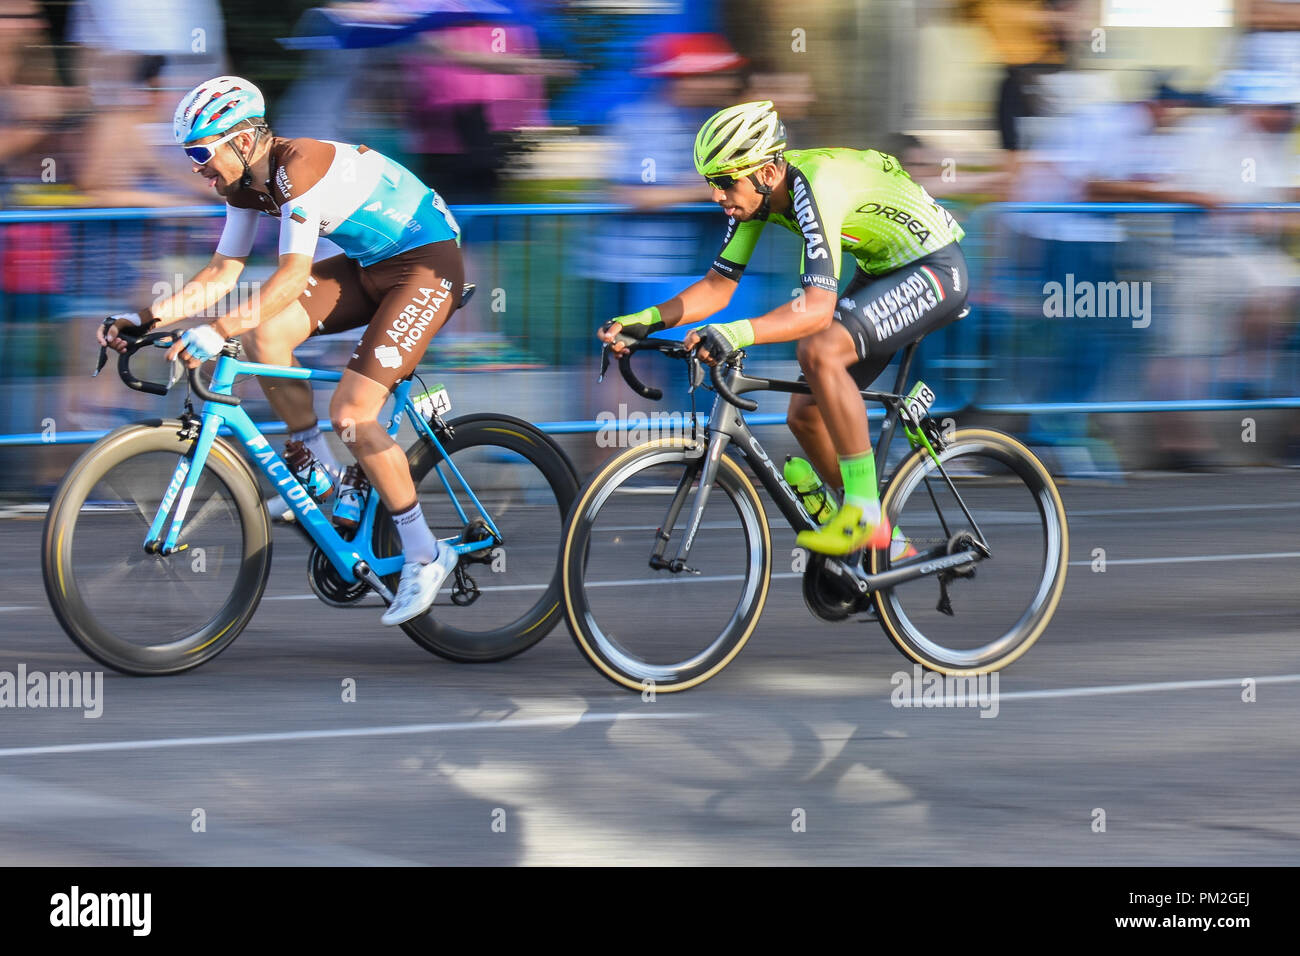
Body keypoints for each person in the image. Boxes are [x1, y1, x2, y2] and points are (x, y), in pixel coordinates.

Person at [96, 75, 466, 625]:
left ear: (243, 140)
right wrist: (142, 317)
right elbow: (224, 271)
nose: (196, 167)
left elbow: (290, 280)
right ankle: (316, 462)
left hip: (428, 267)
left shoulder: (299, 169)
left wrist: (215, 330)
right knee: (264, 335)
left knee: (352, 413)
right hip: (371, 267)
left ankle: (426, 553)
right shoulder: (241, 184)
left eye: (201, 152)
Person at [599, 100, 969, 557]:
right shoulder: (757, 197)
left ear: (766, 173)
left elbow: (814, 311)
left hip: (934, 269)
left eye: (723, 182)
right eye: (710, 182)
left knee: (819, 352)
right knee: (804, 415)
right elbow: (717, 287)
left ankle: (864, 515)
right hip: (883, 269)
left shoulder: (812, 187)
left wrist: (734, 334)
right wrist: (644, 320)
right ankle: (886, 545)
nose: (716, 195)